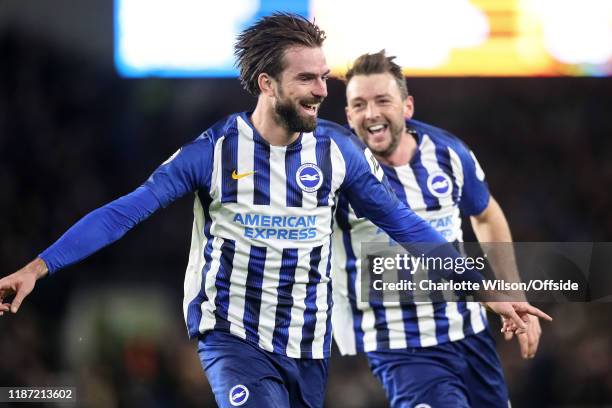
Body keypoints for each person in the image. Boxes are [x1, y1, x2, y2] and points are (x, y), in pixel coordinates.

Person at [0, 14, 549, 408]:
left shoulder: (338, 152)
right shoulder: (211, 154)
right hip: (232, 336)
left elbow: (406, 226)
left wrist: (488, 288)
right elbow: (123, 213)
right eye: (307, 79)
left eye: (323, 76)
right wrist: (37, 267)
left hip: (308, 347)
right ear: (267, 84)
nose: (322, 90)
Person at [332, 50, 544, 407]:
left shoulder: (448, 153)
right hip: (401, 347)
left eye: (382, 100)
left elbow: (486, 214)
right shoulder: (336, 171)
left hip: (470, 334)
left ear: (407, 106)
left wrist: (512, 292)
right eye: (359, 104)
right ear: (348, 115)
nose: (371, 113)